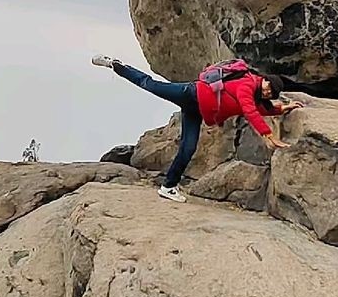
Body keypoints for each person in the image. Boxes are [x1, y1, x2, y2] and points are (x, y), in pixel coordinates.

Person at [91, 55, 303, 203]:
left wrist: (284, 108)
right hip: (190, 93)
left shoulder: (257, 95)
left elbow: (260, 109)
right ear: (265, 80)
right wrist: (266, 134)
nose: (267, 93)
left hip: (196, 110)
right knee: (150, 84)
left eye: (270, 94)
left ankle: (168, 186)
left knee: (188, 148)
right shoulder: (248, 83)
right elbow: (249, 109)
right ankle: (116, 65)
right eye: (268, 88)